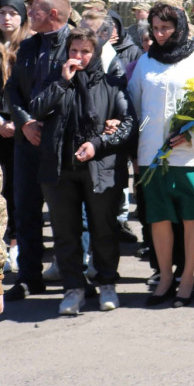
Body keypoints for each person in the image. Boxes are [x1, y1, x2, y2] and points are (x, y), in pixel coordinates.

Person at [128, 2, 194, 307]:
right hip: (152, 155)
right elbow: (135, 104)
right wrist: (138, 141)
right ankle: (166, 278)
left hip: (190, 154)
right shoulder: (146, 62)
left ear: (180, 27)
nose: (159, 34)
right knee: (158, 217)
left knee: (190, 216)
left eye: (165, 28)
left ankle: (187, 277)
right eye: (155, 29)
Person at [28, 27, 133, 315]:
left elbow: (127, 124)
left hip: (100, 170)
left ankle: (107, 283)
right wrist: (62, 82)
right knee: (65, 233)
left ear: (96, 53)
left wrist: (98, 143)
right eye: (74, 51)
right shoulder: (56, 79)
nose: (78, 56)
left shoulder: (112, 83)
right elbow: (35, 108)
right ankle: (73, 288)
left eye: (85, 51)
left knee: (104, 229)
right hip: (60, 169)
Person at [4, 0, 72, 301]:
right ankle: (30, 277)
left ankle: (72, 276)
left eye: (35, 11)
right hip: (26, 143)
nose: (28, 15)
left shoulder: (76, 44)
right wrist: (26, 123)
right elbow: (12, 91)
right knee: (26, 210)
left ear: (53, 14)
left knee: (65, 214)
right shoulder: (29, 46)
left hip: (61, 143)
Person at [0, 0, 31, 280]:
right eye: (2, 12)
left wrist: (20, 122)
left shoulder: (30, 47)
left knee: (18, 189)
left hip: (23, 128)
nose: (7, 18)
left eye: (13, 12)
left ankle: (16, 243)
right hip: (0, 126)